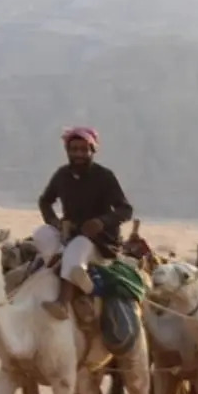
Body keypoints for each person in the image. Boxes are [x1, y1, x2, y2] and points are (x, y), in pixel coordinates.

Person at [35, 126, 133, 320]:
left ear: (92, 151)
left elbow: (125, 209)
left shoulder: (105, 177)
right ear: (67, 151)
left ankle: (63, 303)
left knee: (76, 248)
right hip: (70, 234)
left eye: (83, 149)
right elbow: (45, 201)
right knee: (41, 233)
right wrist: (54, 221)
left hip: (100, 241)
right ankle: (62, 265)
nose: (79, 154)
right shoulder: (62, 175)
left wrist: (101, 222)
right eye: (74, 149)